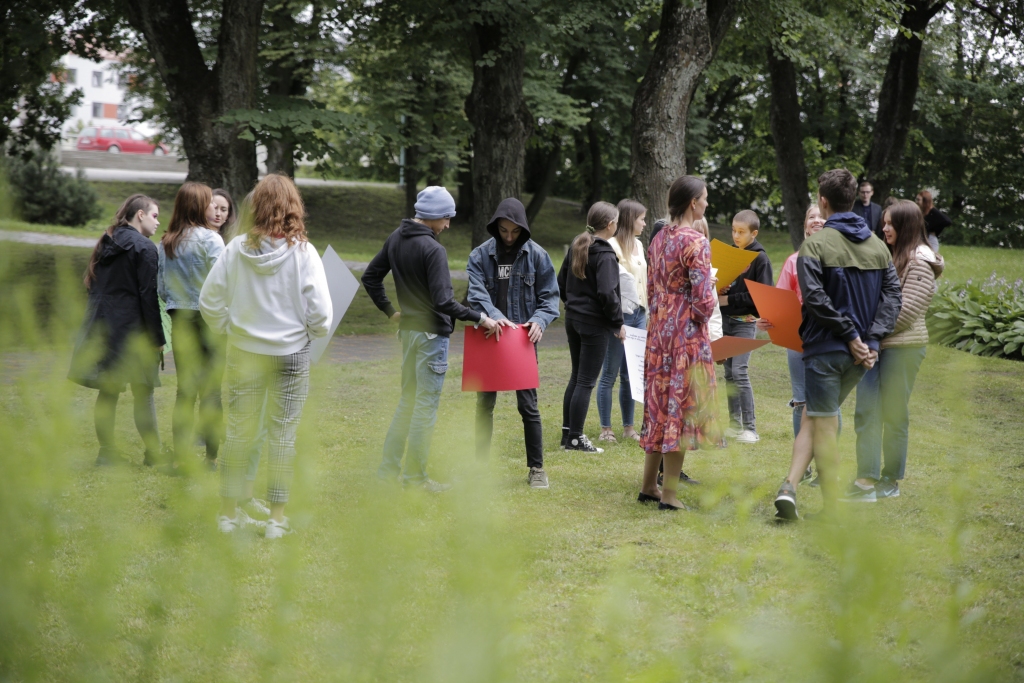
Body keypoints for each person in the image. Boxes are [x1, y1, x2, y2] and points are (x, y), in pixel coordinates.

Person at [200, 174, 333, 538]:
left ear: (255, 206)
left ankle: (228, 515)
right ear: (293, 207)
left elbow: (209, 301)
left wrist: (230, 328)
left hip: (244, 351)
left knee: (237, 434)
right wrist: (308, 333)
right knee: (282, 437)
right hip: (291, 354)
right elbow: (322, 315)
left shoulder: (235, 249)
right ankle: (276, 520)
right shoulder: (304, 253)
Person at [773, 169, 902, 522]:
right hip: (860, 358)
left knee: (823, 425)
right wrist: (870, 340)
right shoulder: (878, 246)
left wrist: (853, 337)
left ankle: (829, 510)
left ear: (823, 201)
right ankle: (788, 487)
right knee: (815, 417)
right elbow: (893, 297)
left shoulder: (813, 246)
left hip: (825, 352)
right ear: (853, 199)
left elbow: (814, 299)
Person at [363, 186, 502, 491]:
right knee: (424, 408)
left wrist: (390, 312)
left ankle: (387, 474)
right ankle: (415, 479)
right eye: (446, 218)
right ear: (433, 215)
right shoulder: (433, 249)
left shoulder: (396, 237)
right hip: (431, 337)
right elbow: (443, 302)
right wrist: (481, 317)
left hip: (409, 333)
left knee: (407, 403)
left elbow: (370, 277)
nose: (448, 225)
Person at [843, 200, 944, 502]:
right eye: (884, 223)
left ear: (906, 226)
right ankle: (866, 480)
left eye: (890, 224)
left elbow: (906, 311)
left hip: (903, 348)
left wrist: (868, 334)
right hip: (877, 345)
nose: (884, 228)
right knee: (867, 410)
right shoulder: (892, 256)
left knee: (893, 414)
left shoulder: (920, 262)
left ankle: (890, 480)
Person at [639, 176, 721, 510]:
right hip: (685, 336)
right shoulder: (696, 242)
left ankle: (649, 485)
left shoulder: (658, 237)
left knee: (660, 407)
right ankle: (669, 495)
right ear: (693, 202)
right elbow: (703, 304)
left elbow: (651, 289)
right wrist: (710, 291)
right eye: (705, 198)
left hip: (660, 331)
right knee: (681, 409)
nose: (707, 203)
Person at [466, 198, 560, 488]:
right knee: (484, 404)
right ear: (495, 227)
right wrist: (495, 317)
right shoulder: (479, 256)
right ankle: (479, 468)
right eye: (503, 231)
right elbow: (476, 294)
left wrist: (540, 321)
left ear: (523, 229)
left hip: (522, 341)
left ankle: (537, 469)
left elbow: (550, 298)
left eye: (515, 231)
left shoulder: (538, 256)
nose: (509, 237)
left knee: (528, 406)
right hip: (489, 336)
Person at [69, 194, 166, 467]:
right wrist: (157, 338)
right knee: (143, 390)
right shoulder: (145, 248)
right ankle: (154, 454)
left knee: (108, 390)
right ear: (140, 215)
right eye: (155, 215)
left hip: (102, 327)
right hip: (132, 331)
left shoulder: (107, 240)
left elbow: (95, 287)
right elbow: (148, 297)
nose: (158, 222)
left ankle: (107, 453)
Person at [759, 204, 833, 487]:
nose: (817, 220)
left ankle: (826, 469)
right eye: (812, 217)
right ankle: (802, 469)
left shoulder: (837, 258)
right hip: (798, 340)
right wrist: (768, 319)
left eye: (821, 216)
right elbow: (780, 301)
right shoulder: (793, 261)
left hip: (827, 339)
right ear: (804, 226)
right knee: (800, 401)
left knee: (828, 404)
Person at [158, 182, 226, 472]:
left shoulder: (166, 242)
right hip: (209, 322)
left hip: (180, 319)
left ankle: (179, 459)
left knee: (184, 392)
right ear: (199, 206)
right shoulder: (211, 240)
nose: (214, 207)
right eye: (209, 202)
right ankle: (211, 459)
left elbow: (162, 288)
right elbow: (224, 283)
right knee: (211, 391)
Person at [557, 201, 624, 453]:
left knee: (577, 376)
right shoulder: (605, 254)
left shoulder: (578, 244)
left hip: (573, 319)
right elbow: (607, 293)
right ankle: (575, 438)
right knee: (585, 381)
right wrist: (616, 321)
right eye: (617, 221)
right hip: (594, 324)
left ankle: (568, 434)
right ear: (610, 224)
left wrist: (573, 304)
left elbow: (560, 282)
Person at [718, 209, 773, 444]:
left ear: (754, 233)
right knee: (729, 373)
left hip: (745, 323)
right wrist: (721, 289)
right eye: (734, 230)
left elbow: (761, 297)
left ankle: (750, 428)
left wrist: (728, 299)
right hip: (724, 322)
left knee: (739, 372)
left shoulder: (760, 259)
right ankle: (734, 426)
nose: (736, 236)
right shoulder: (731, 254)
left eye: (741, 232)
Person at [597, 199, 647, 444]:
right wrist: (616, 321)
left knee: (631, 375)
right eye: (641, 219)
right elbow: (610, 286)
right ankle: (606, 429)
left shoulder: (639, 244)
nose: (644, 224)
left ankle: (629, 427)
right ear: (629, 220)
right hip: (620, 317)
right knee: (610, 373)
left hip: (640, 315)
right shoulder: (611, 246)